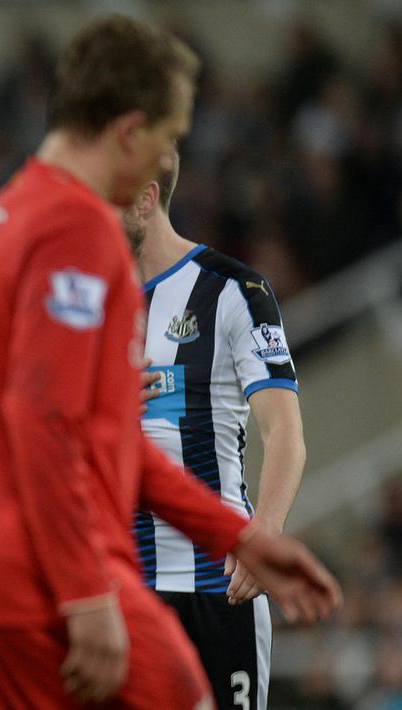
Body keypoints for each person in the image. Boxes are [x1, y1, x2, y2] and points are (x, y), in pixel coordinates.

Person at [0, 15, 341, 709]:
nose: (162, 160)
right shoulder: (74, 228)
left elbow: (66, 424)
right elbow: (42, 426)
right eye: (163, 137)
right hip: (39, 584)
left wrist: (237, 532)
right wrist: (88, 595)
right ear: (129, 130)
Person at [125, 152, 305, 709]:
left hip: (218, 588)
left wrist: (266, 532)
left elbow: (286, 434)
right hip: (127, 593)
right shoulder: (86, 307)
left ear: (145, 199)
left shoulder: (234, 291)